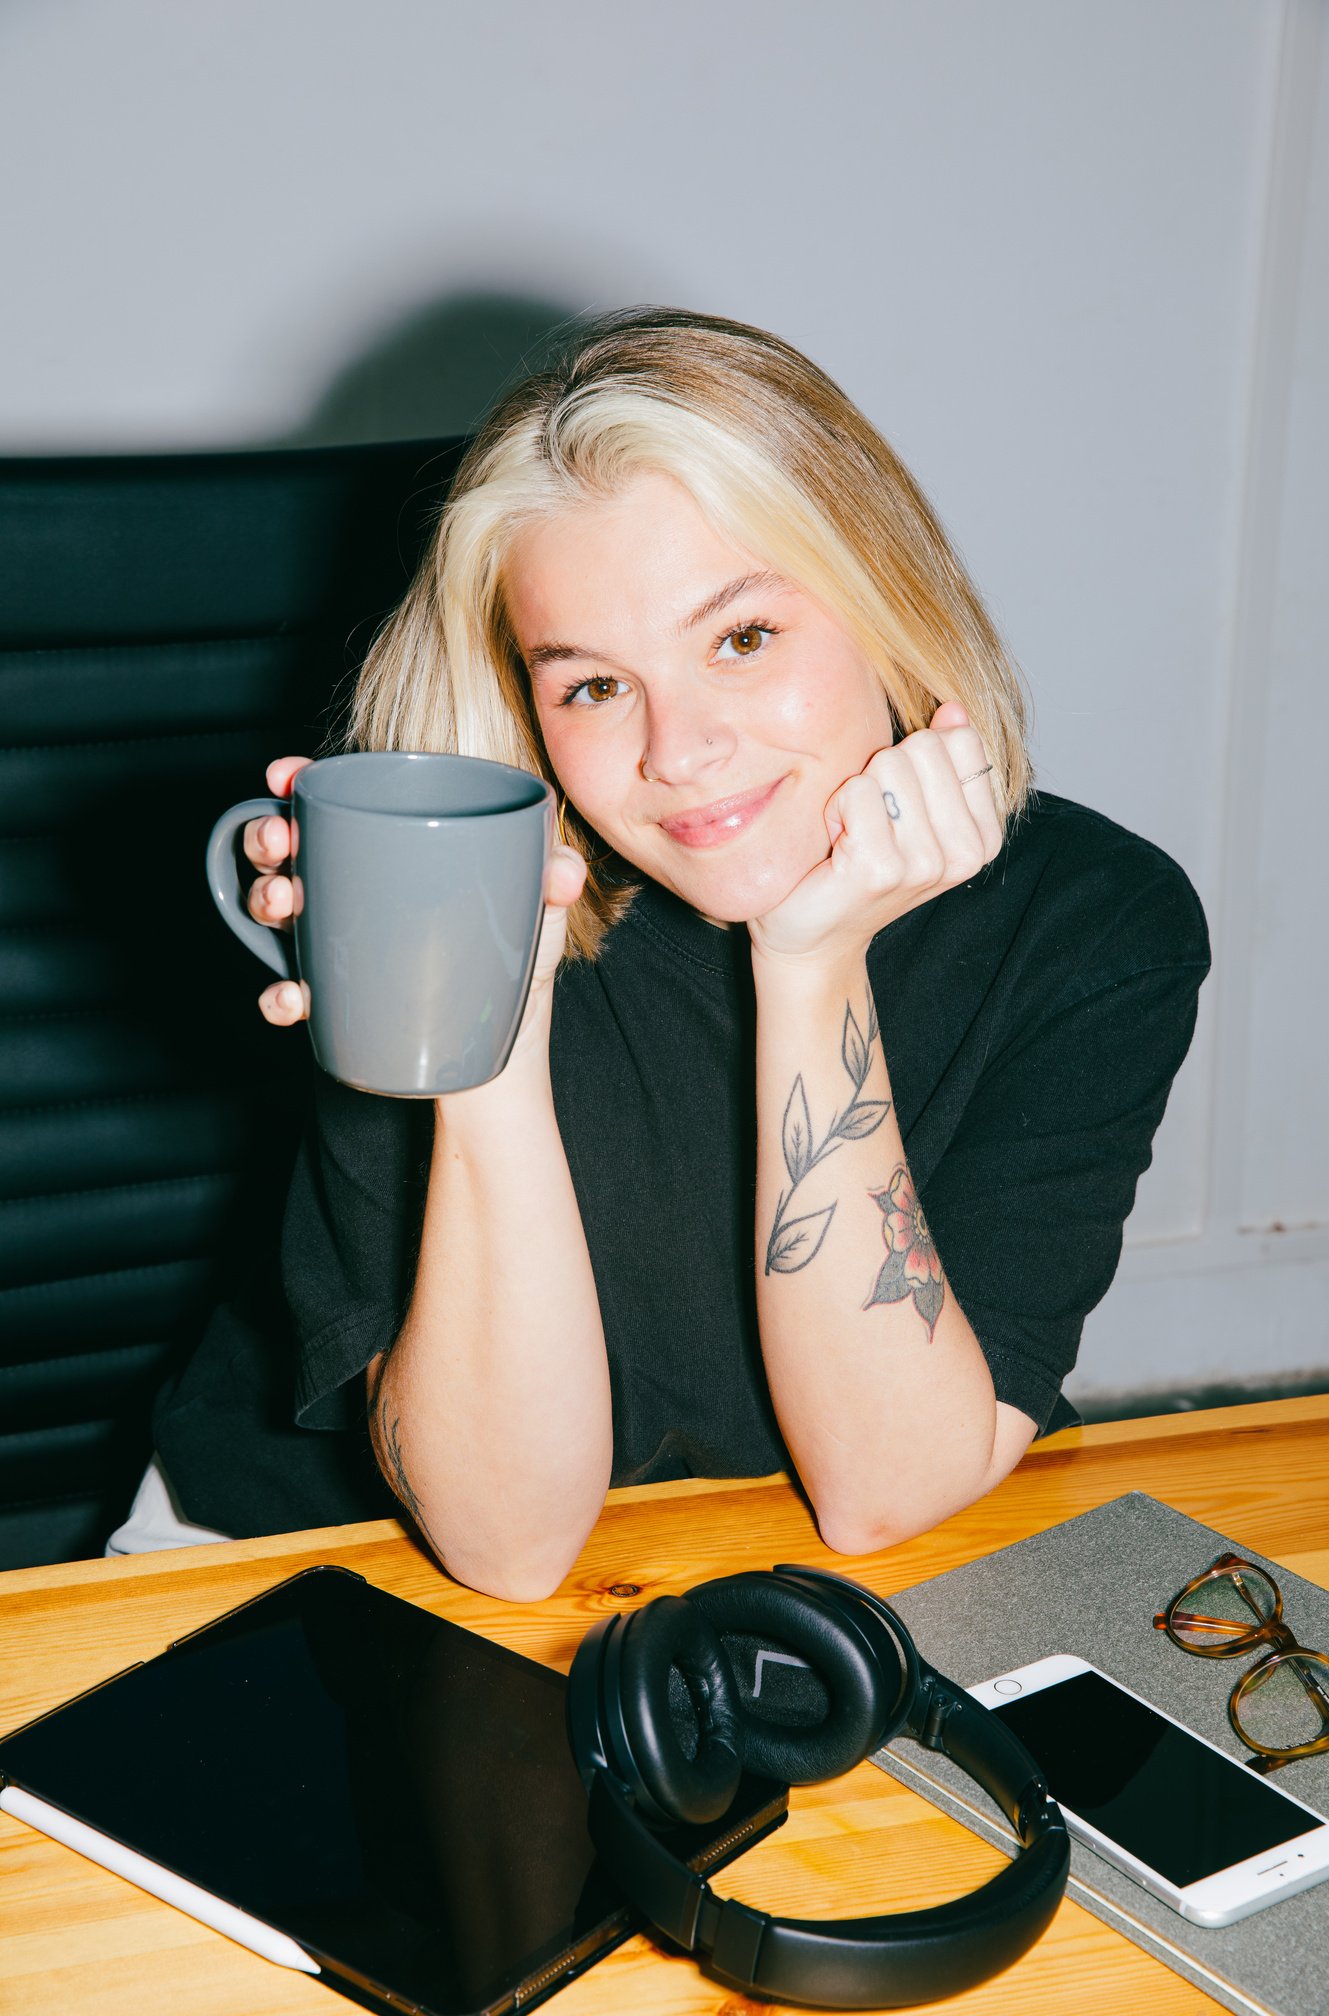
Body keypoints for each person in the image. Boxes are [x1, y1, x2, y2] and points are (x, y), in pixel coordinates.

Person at [129, 308, 1209, 1595]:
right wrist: (483, 1039)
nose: (676, 751)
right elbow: (509, 1547)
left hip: (787, 1570)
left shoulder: (1095, 925)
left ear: (886, 603)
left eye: (742, 638)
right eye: (590, 683)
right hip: (312, 1563)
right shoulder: (453, 896)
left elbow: (885, 1493)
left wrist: (811, 970)